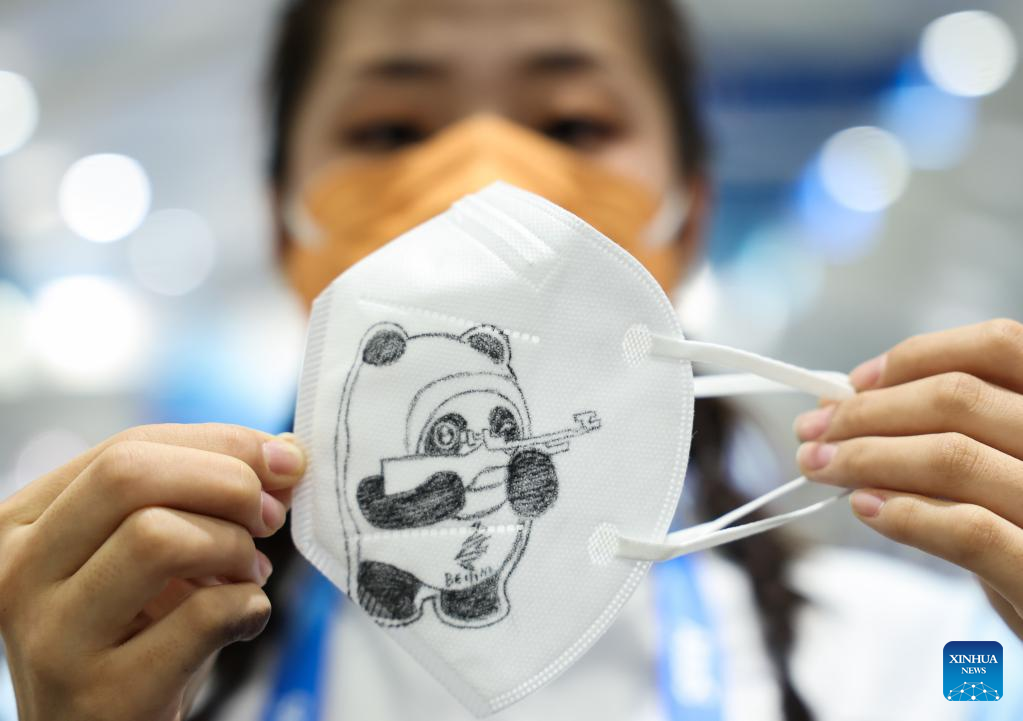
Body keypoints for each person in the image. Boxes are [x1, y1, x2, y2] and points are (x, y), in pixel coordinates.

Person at [1, 1, 1022, 720]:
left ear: (689, 216)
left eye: (573, 124)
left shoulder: (938, 666)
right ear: (286, 227)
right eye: (393, 127)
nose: (483, 180)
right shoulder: (147, 670)